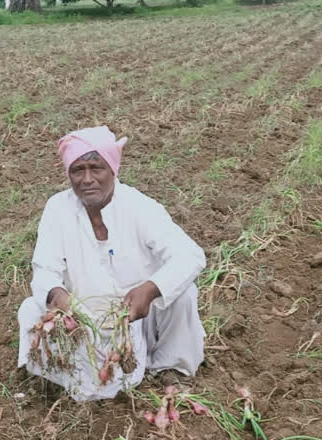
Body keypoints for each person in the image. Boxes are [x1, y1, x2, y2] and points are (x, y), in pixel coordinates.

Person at [16, 126, 206, 400]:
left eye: (97, 168)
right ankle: (60, 373)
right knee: (30, 309)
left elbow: (190, 255)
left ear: (113, 169)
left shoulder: (139, 207)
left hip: (138, 315)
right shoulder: (58, 208)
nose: (87, 179)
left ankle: (172, 367)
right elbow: (44, 267)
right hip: (84, 318)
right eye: (78, 170)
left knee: (183, 292)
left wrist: (150, 289)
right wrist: (57, 294)